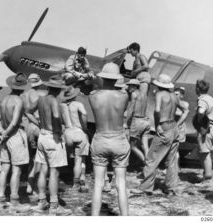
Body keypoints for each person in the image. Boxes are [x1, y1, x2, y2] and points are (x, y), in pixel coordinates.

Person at [134, 74, 189, 195]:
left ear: (159, 85)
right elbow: (186, 110)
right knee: (172, 160)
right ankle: (171, 187)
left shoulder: (159, 94)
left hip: (164, 127)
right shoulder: (174, 96)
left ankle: (146, 187)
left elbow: (157, 110)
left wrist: (158, 124)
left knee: (151, 158)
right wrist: (178, 124)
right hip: (173, 127)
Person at [89, 63, 130, 216]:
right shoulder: (124, 96)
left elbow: (93, 89)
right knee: (121, 184)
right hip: (119, 139)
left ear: (102, 77)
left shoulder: (93, 96)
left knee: (98, 185)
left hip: (100, 138)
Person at [32, 75, 72, 215]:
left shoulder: (41, 98)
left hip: (42, 136)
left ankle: (42, 202)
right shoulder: (54, 101)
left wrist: (39, 123)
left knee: (44, 169)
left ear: (49, 86)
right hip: (52, 137)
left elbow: (28, 111)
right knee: (54, 172)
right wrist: (59, 129)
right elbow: (56, 116)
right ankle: (54, 206)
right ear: (59, 89)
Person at [0, 73, 31, 212]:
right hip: (15, 136)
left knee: (4, 169)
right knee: (16, 170)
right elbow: (15, 122)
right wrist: (6, 134)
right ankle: (15, 202)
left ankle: (0, 200)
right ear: (22, 87)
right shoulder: (18, 100)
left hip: (5, 137)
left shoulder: (4, 100)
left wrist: (3, 133)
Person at [60, 86, 89, 193]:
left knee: (73, 158)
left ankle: (80, 178)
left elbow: (61, 121)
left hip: (68, 133)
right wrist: (84, 127)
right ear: (75, 95)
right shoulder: (78, 104)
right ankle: (77, 182)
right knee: (79, 159)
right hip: (78, 131)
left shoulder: (61, 105)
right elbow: (84, 114)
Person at [21, 73, 46, 195]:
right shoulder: (38, 95)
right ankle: (35, 186)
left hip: (26, 128)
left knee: (31, 158)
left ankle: (29, 186)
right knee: (40, 159)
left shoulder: (22, 95)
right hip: (36, 126)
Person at [194, 80, 213, 185]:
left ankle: (208, 179)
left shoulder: (203, 100)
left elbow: (200, 112)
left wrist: (200, 122)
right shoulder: (211, 98)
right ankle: (206, 176)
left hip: (206, 129)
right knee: (203, 152)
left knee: (204, 154)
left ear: (197, 89)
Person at [125, 79, 150, 164]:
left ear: (135, 86)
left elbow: (131, 109)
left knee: (132, 146)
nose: (128, 88)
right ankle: (150, 165)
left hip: (137, 121)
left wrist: (125, 122)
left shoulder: (134, 94)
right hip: (145, 121)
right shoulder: (144, 95)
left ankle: (145, 163)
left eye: (130, 86)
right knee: (145, 146)